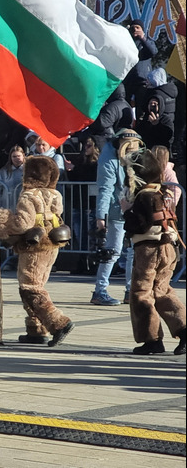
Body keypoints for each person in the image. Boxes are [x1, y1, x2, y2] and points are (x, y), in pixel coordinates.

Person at [0, 156, 74, 346]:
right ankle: (36, 329)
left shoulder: (28, 196)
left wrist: (3, 220)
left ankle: (59, 322)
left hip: (34, 245)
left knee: (30, 286)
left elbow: (23, 224)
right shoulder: (55, 194)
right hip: (52, 244)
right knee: (37, 284)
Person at [119, 148, 186, 356]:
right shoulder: (163, 192)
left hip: (149, 248)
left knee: (141, 293)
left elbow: (139, 225)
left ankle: (152, 339)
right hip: (168, 247)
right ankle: (184, 330)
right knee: (163, 291)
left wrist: (126, 211)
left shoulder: (144, 196)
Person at [92, 129, 143, 306]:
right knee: (112, 251)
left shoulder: (135, 157)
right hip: (116, 211)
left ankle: (130, 290)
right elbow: (105, 190)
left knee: (133, 252)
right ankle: (100, 290)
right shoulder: (109, 160)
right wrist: (101, 217)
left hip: (133, 210)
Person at [121, 19, 157, 108]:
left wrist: (142, 38)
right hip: (128, 82)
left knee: (141, 109)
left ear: (142, 30)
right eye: (133, 28)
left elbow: (153, 52)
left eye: (137, 27)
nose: (135, 30)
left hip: (142, 81)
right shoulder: (127, 42)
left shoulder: (147, 41)